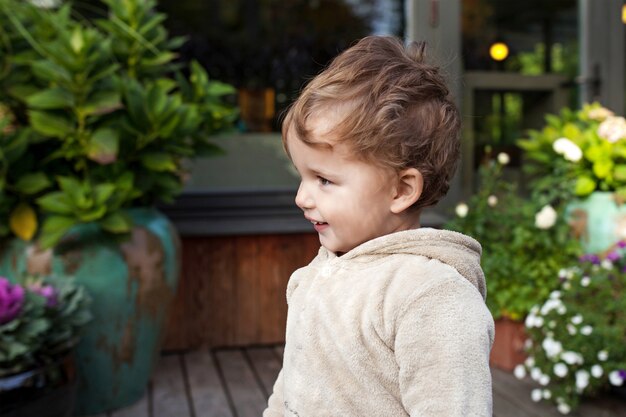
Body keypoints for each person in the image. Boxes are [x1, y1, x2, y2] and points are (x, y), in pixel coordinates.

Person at [263, 35, 494, 417]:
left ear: (401, 190)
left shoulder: (430, 296)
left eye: (324, 179)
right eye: (301, 176)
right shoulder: (317, 275)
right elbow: (291, 386)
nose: (302, 198)